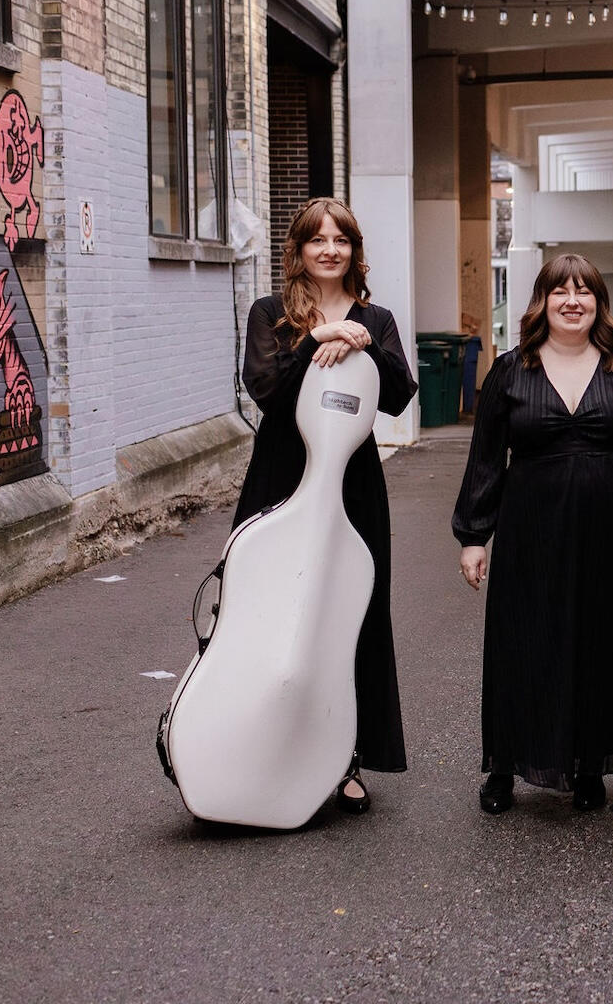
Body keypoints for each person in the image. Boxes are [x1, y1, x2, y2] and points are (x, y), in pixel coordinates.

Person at [453, 254, 613, 815]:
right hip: (532, 527)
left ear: (598, 305)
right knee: (524, 641)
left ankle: (588, 763)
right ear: (541, 302)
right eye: (560, 291)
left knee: (602, 644)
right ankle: (506, 765)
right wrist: (473, 536)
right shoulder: (510, 371)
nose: (572, 301)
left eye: (584, 291)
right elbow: (486, 460)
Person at [233, 197, 417, 815]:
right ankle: (261, 751)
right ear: (300, 250)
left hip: (353, 483)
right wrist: (316, 336)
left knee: (349, 614)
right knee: (268, 613)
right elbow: (266, 391)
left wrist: (364, 344)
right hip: (282, 476)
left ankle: (346, 761)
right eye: (318, 240)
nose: (330, 249)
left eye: (342, 240)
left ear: (355, 252)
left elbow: (398, 397)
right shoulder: (270, 315)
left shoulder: (377, 317)